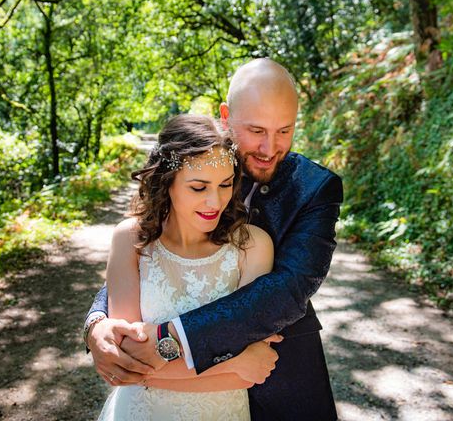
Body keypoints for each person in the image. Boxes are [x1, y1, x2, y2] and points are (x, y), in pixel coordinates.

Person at [85, 58, 343, 420]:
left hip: (278, 370)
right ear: (226, 117)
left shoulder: (316, 189)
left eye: (285, 130)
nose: (270, 148)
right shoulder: (195, 156)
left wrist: (167, 341)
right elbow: (145, 251)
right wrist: (97, 322)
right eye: (256, 130)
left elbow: (287, 289)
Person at [96, 114, 282, 420]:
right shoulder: (129, 239)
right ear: (166, 183)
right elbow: (125, 363)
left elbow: (251, 375)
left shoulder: (253, 246)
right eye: (198, 187)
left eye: (225, 184)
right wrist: (232, 362)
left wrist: (155, 366)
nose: (215, 201)